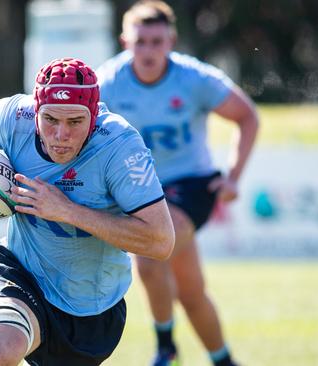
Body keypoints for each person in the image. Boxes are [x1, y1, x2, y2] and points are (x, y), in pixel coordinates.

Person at [0, 57, 175, 366]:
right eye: (50, 120)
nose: (61, 135)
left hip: (93, 309)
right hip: (22, 273)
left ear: (93, 116)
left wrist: (67, 211)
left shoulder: (120, 147)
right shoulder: (14, 117)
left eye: (75, 122)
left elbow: (160, 241)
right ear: (35, 111)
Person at [97, 2, 259, 366]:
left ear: (171, 40)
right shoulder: (106, 82)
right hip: (139, 191)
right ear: (125, 41)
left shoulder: (194, 78)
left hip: (191, 187)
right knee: (190, 291)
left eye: (157, 41)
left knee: (149, 250)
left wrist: (233, 177)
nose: (149, 51)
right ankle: (224, 360)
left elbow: (247, 116)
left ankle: (165, 348)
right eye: (141, 42)